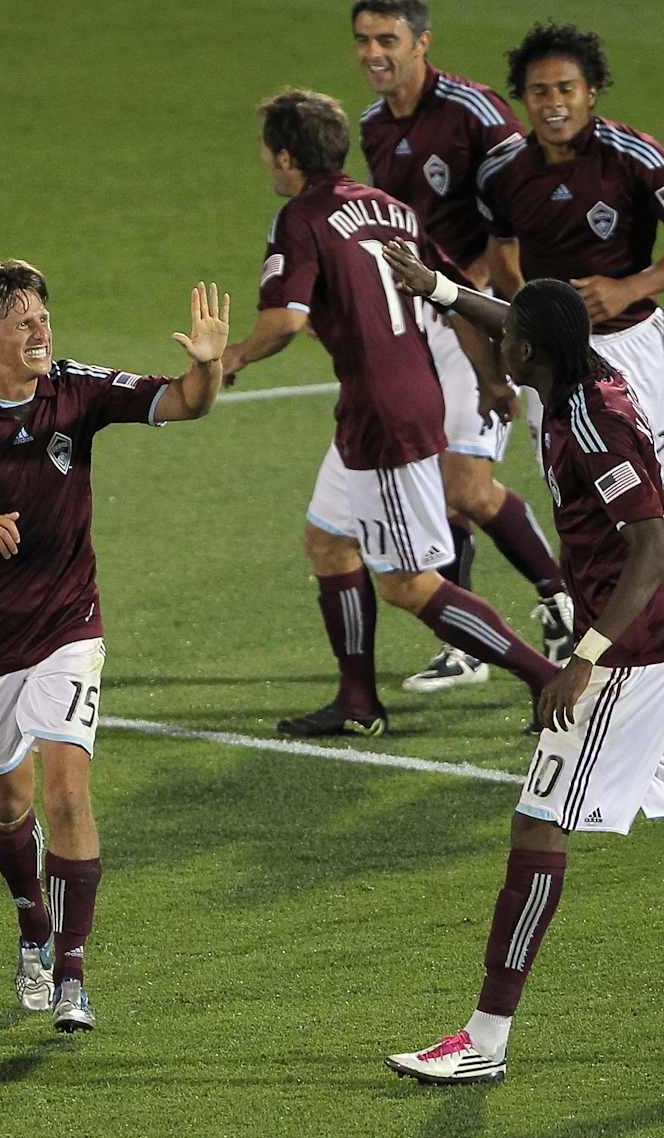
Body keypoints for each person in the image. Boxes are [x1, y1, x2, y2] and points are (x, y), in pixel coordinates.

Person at [0, 261, 229, 1031]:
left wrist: (207, 365)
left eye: (42, 315)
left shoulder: (77, 388)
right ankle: (32, 921)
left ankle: (71, 973)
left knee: (65, 793)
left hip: (67, 625)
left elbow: (185, 405)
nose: (40, 330)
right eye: (22, 321)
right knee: (7, 800)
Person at [382, 244, 664, 1084]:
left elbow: (652, 545)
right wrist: (438, 288)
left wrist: (583, 659)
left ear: (529, 356)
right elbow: (520, 318)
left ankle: (485, 1038)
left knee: (539, 823)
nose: (498, 347)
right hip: (639, 640)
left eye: (510, 341)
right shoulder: (576, 367)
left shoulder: (591, 422)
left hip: (632, 654)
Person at [221, 89, 558, 738]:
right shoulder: (392, 209)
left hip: (385, 415)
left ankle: (547, 679)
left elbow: (285, 321)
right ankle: (358, 702)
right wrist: (488, 378)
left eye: (268, 150)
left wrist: (233, 357)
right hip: (390, 402)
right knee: (328, 540)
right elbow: (454, 297)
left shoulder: (303, 217)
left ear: (288, 156)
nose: (266, 161)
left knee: (407, 582)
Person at [352, 0, 573, 690]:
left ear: (422, 42)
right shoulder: (374, 125)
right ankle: (469, 645)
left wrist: (471, 285)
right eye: (364, 40)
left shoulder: (475, 113)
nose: (374, 53)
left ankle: (560, 601)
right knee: (438, 481)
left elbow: (527, 200)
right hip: (422, 319)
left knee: (466, 482)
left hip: (487, 319)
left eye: (388, 40)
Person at [476, 23, 664, 464]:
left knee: (653, 496)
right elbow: (500, 249)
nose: (553, 103)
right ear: (524, 98)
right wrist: (529, 305)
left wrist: (629, 289)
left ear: (591, 92)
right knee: (576, 503)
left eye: (566, 89)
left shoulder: (635, 158)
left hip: (632, 344)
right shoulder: (500, 172)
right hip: (552, 357)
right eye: (540, 92)